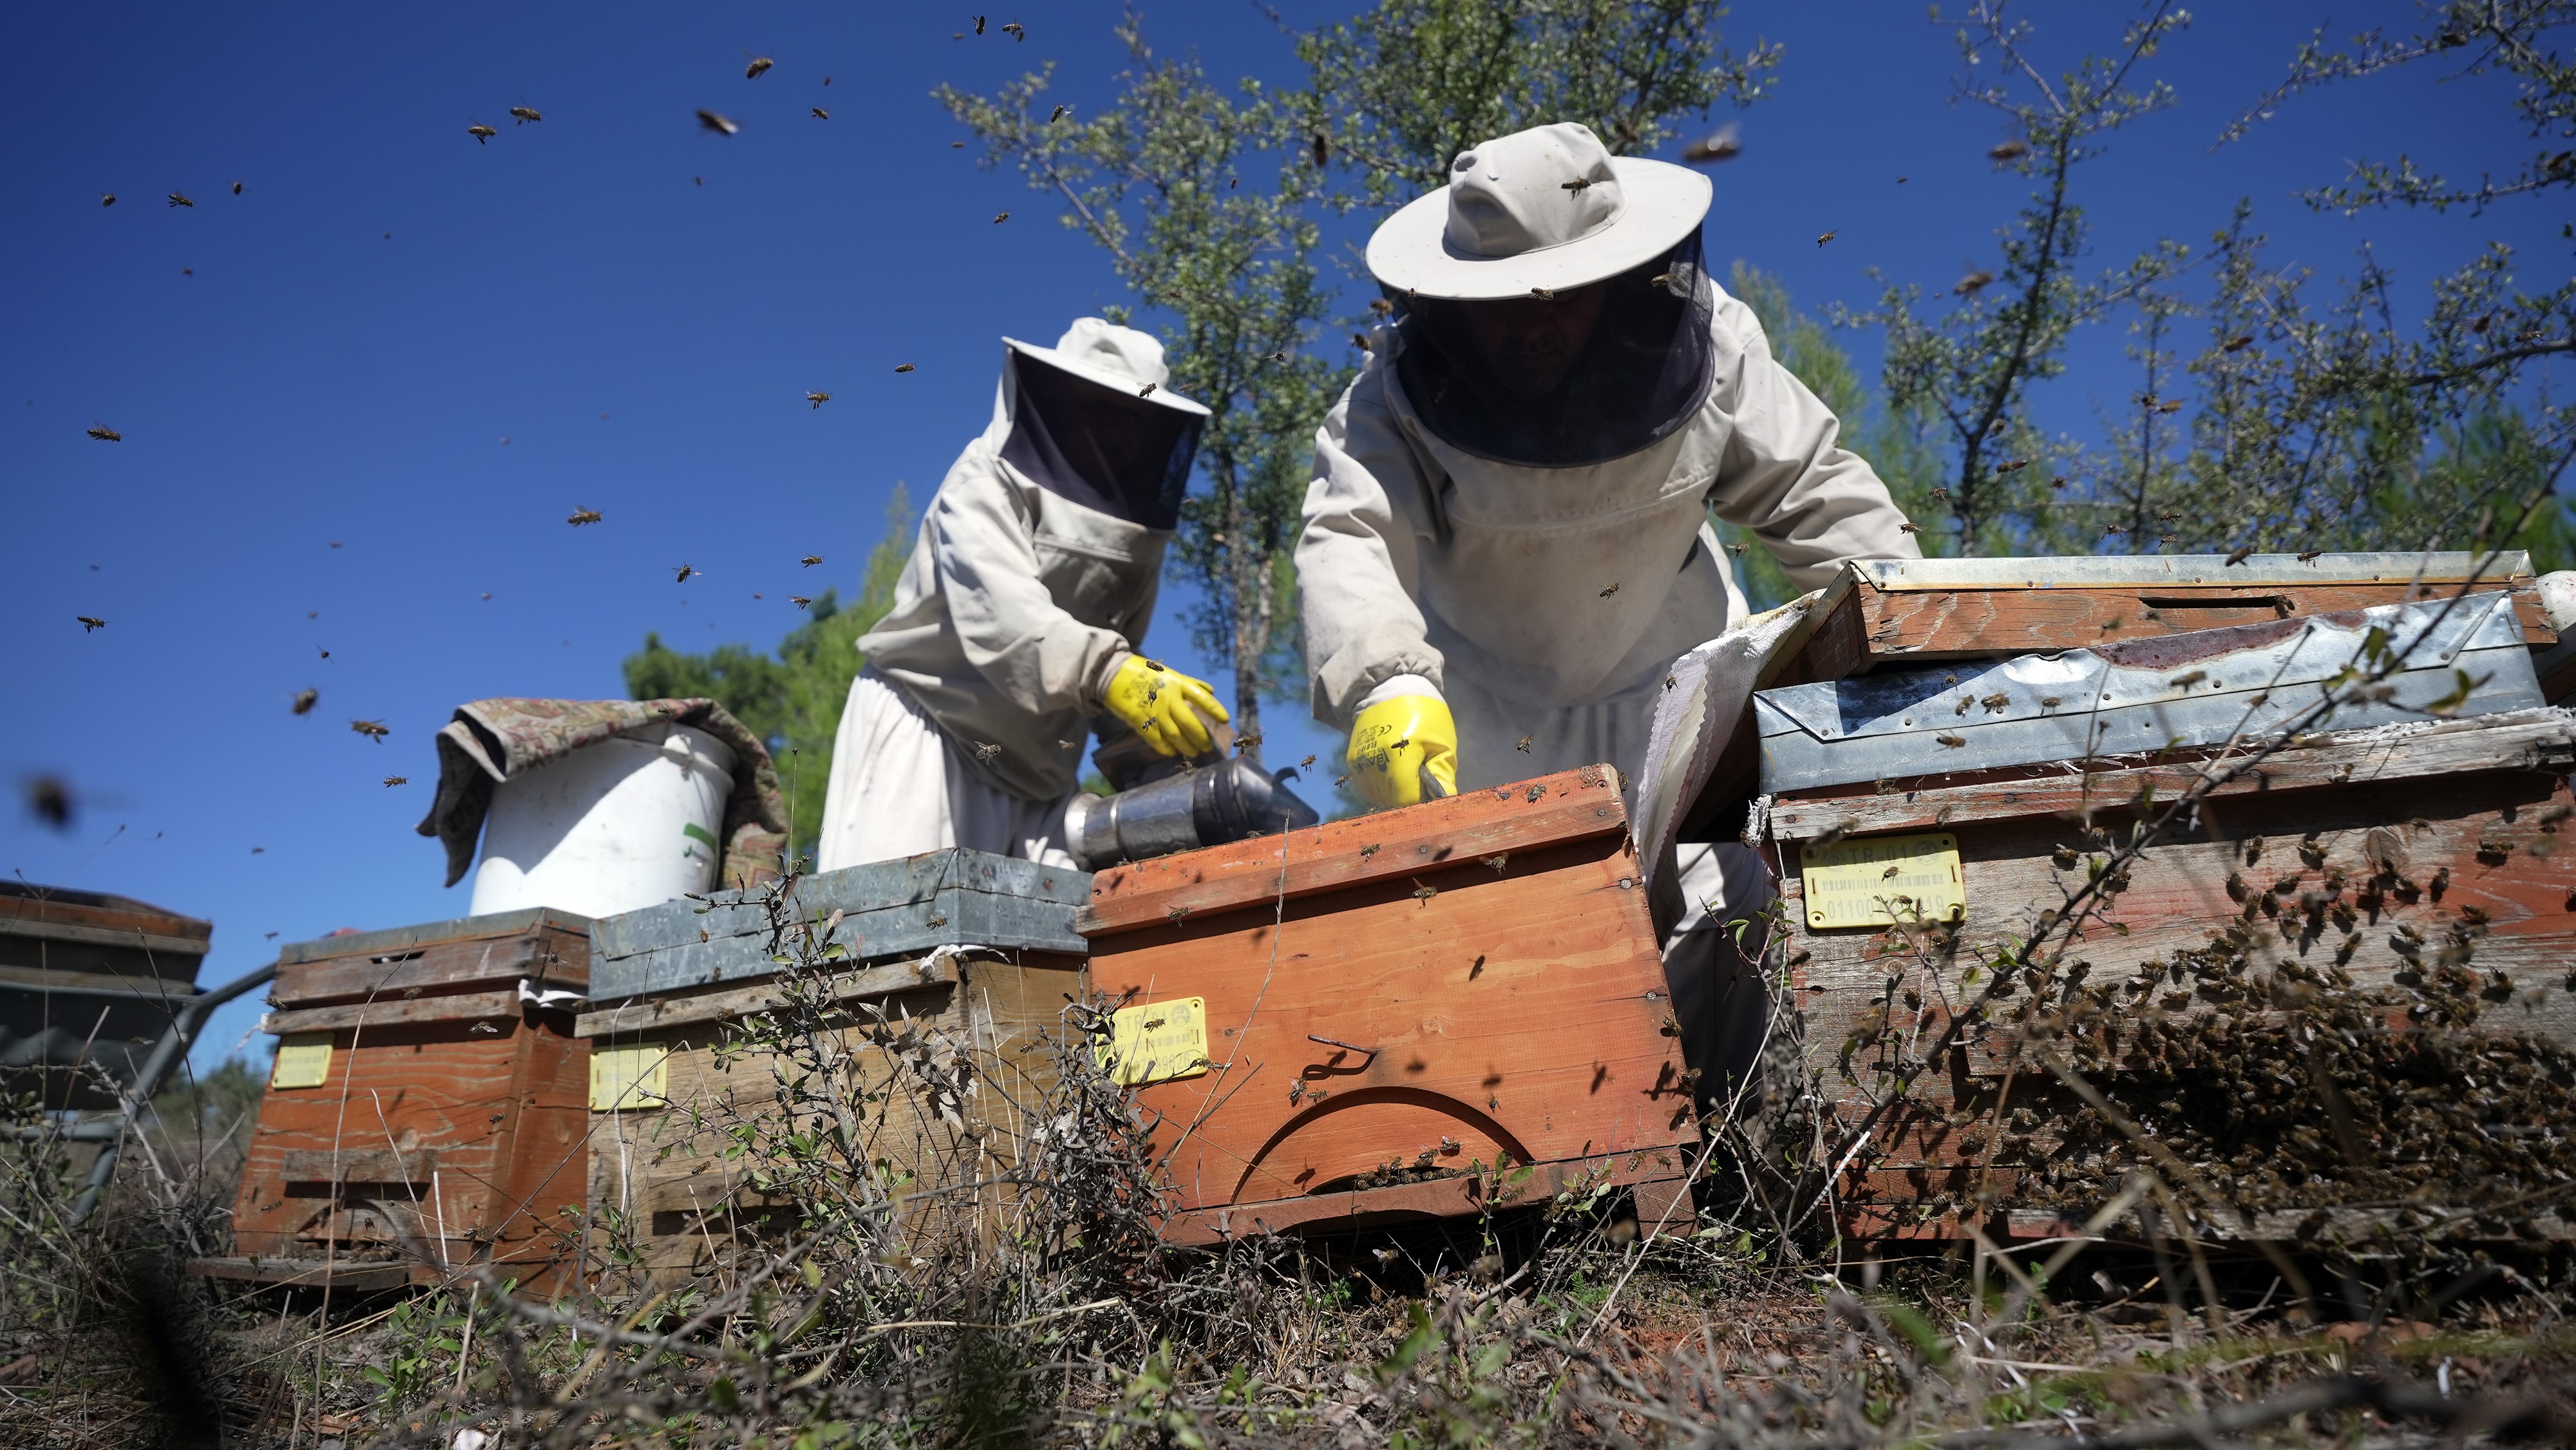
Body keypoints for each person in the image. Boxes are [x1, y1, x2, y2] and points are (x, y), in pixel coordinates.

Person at [1293, 121, 1918, 1092]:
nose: (1530, 324)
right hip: (1487, 714)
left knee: (1724, 916)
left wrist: (1915, 622)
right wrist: (1385, 682)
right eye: (1501, 304)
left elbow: (1815, 492)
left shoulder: (1715, 343)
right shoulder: (1389, 397)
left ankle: (1730, 1198)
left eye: (1557, 297)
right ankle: (1552, 1214)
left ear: (1621, 275)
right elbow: (1352, 533)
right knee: (1507, 955)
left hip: (1679, 685)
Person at [817, 319, 1229, 872]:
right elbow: (1002, 612)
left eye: (1132, 418)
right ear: (1061, 399)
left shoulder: (1136, 535)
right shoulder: (982, 480)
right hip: (930, 737)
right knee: (886, 944)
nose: (1113, 430)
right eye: (1100, 407)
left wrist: (1168, 761)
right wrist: (1110, 673)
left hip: (1043, 782)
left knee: (1060, 952)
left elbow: (1117, 664)